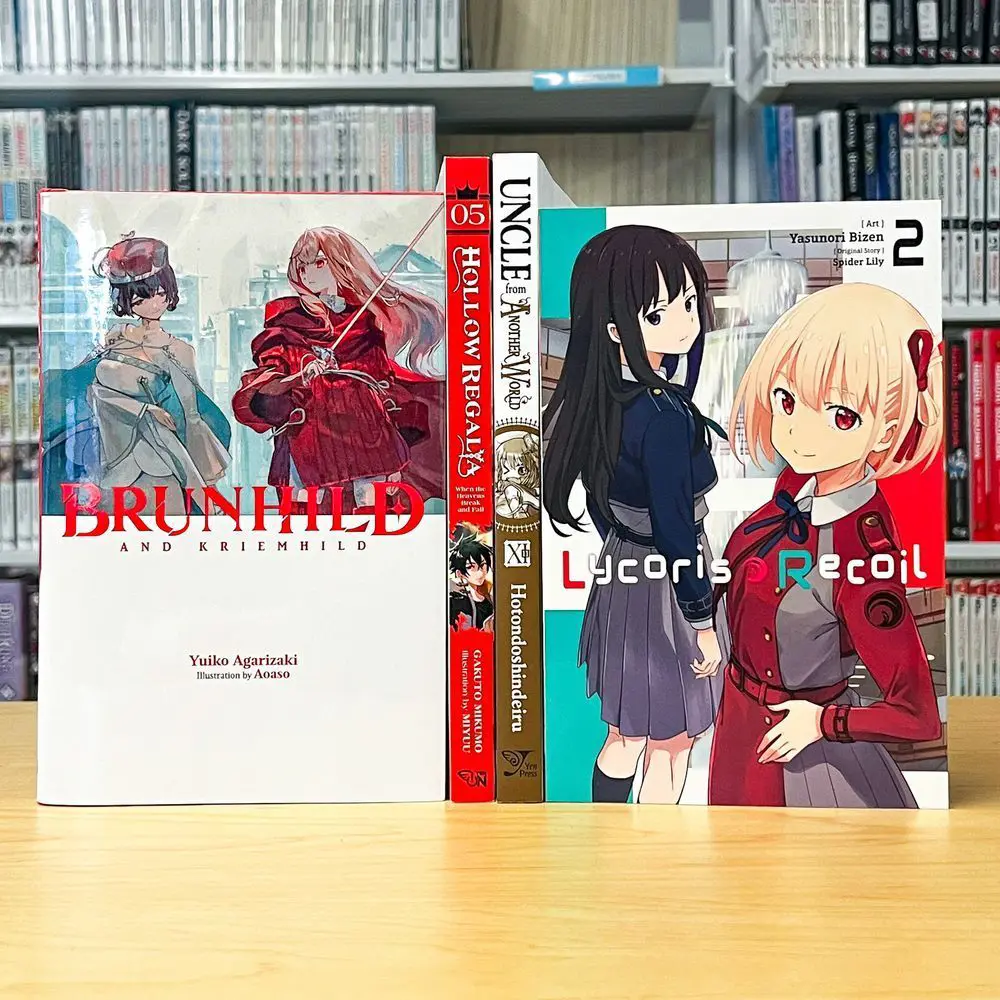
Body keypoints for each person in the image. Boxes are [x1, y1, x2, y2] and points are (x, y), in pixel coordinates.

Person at [709, 282, 943, 808]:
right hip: (739, 729)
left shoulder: (863, 548)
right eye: (787, 400)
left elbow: (917, 712)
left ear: (884, 431)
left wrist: (824, 722)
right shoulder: (794, 488)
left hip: (806, 765)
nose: (797, 431)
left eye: (841, 416)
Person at [542, 225, 724, 805]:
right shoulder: (664, 416)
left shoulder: (596, 404)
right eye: (660, 312)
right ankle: (651, 852)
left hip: (621, 575)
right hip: (670, 588)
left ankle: (606, 835)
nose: (685, 322)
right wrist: (701, 623)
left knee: (624, 734)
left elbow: (605, 503)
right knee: (670, 742)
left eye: (689, 303)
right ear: (615, 327)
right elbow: (676, 530)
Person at [232, 225, 444, 511]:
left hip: (365, 431)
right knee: (309, 509)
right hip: (312, 435)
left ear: (339, 263)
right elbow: (269, 382)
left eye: (318, 263)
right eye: (301, 266)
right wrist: (302, 373)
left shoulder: (363, 321)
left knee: (371, 503)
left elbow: (382, 379)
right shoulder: (287, 322)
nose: (308, 273)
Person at [42, 234, 231, 515]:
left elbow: (192, 415)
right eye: (142, 297)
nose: (154, 303)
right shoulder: (114, 339)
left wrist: (205, 479)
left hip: (160, 459)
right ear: (126, 299)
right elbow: (90, 390)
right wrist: (141, 408)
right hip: (107, 454)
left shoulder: (178, 350)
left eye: (161, 293)